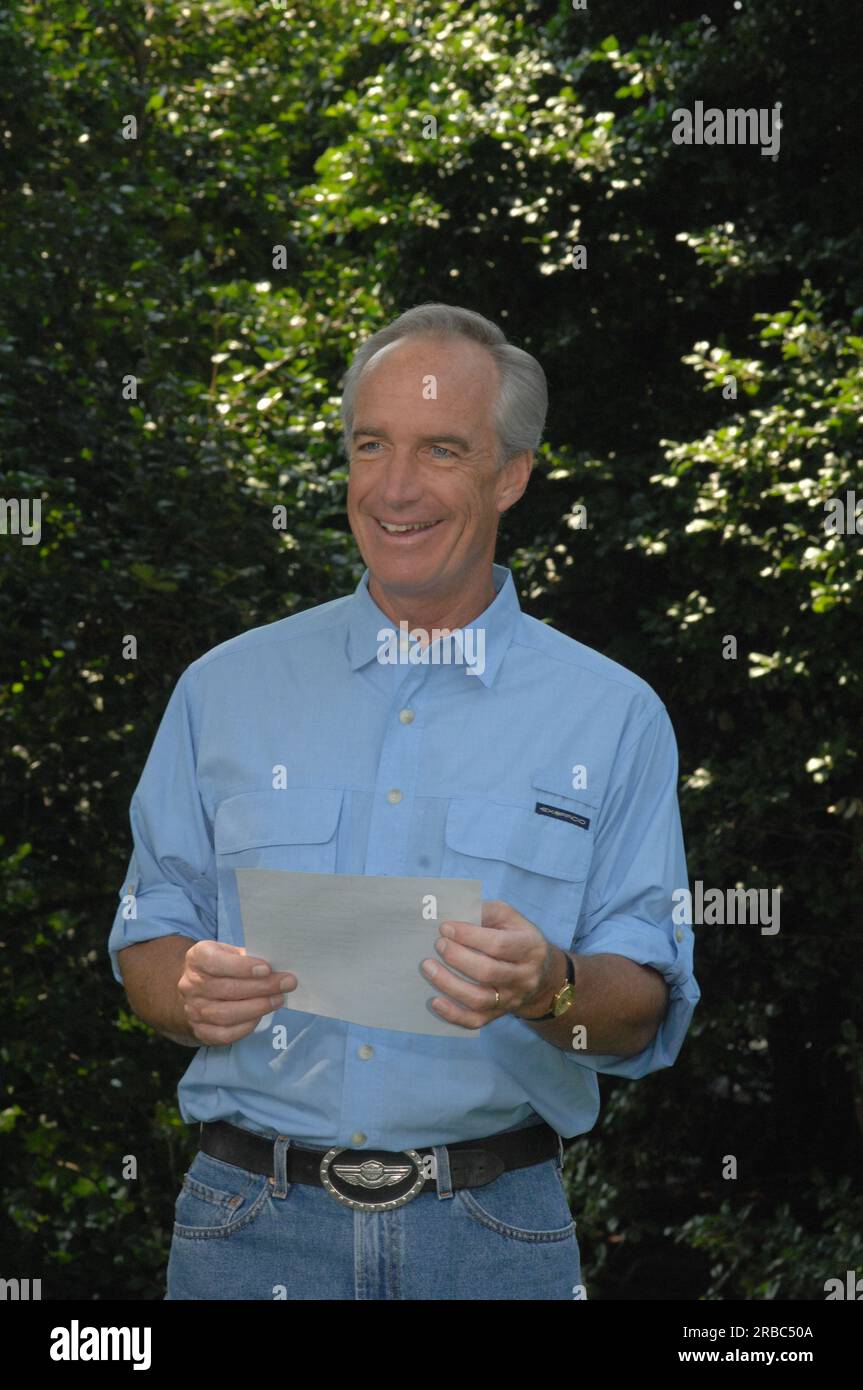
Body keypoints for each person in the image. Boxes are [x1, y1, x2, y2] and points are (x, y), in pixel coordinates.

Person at [108, 303, 700, 1301]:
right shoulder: (224, 688)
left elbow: (639, 1010)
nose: (391, 489)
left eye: (438, 450)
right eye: (368, 445)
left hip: (489, 1239)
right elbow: (148, 940)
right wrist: (185, 985)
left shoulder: (612, 716)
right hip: (246, 1232)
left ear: (510, 473)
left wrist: (548, 985)